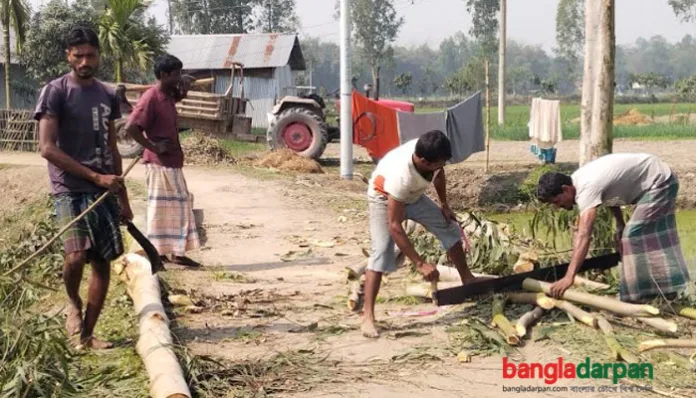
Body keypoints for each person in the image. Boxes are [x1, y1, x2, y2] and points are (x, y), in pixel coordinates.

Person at [35, 27, 133, 349]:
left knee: (102, 261)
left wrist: (122, 195)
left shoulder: (107, 94)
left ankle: (88, 336)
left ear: (98, 55)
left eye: (91, 55)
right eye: (79, 56)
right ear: (69, 55)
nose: (85, 61)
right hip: (70, 186)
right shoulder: (55, 91)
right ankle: (72, 302)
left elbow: (113, 147)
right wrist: (94, 177)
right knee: (75, 257)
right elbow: (47, 148)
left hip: (104, 187)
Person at [362, 130, 480, 338]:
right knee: (381, 252)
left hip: (413, 197)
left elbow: (439, 173)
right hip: (383, 198)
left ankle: (468, 280)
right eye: (438, 163)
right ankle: (368, 317)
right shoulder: (401, 175)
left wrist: (444, 205)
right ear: (424, 161)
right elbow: (395, 225)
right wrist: (420, 264)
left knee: (450, 228)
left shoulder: (431, 152)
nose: (441, 166)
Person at [537, 153, 691, 303]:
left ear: (566, 189)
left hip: (660, 182)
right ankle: (658, 291)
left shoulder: (586, 188)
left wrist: (569, 277)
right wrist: (619, 223)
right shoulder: (577, 181)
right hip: (653, 180)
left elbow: (584, 235)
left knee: (633, 237)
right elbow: (611, 195)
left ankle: (641, 295)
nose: (558, 207)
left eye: (557, 201)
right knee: (642, 238)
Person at [124, 54, 201, 267]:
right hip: (159, 163)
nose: (178, 77)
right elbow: (131, 127)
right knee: (163, 208)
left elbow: (178, 96)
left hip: (171, 161)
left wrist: (184, 85)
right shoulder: (151, 97)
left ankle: (175, 251)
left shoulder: (166, 95)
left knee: (177, 207)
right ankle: (159, 252)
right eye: (176, 74)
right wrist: (153, 146)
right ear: (164, 75)